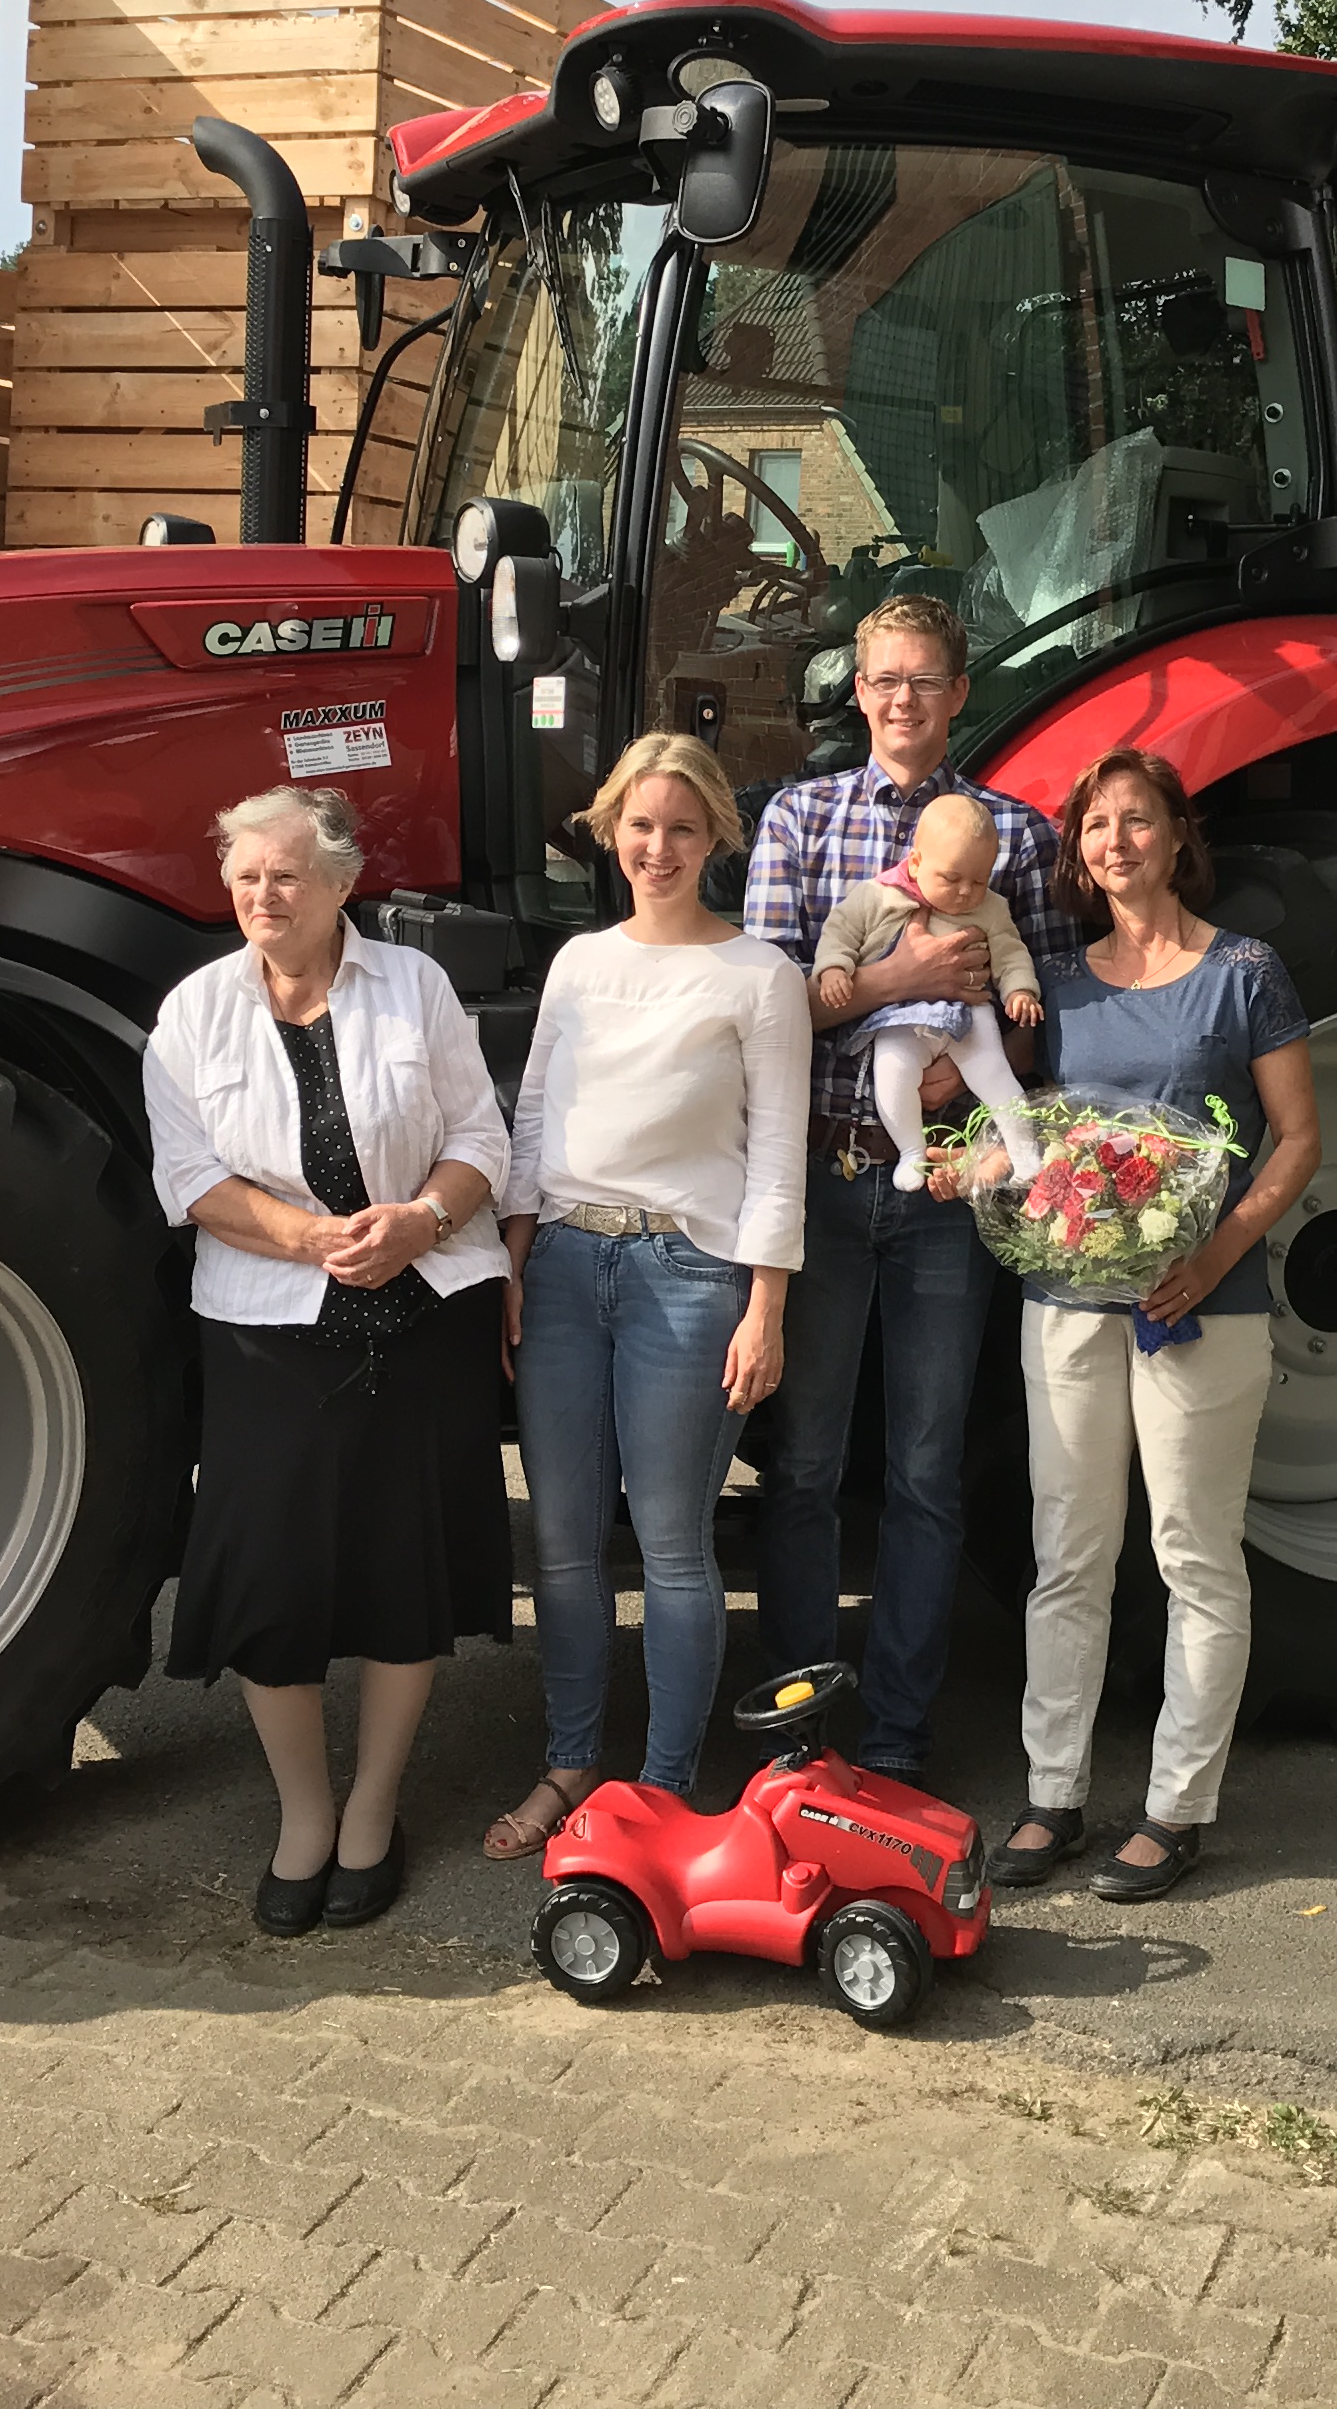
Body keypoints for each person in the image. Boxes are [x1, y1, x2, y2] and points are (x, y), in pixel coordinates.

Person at [142, 785, 513, 1937]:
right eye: (245, 874)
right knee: (270, 1581)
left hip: (424, 1307)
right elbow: (188, 1177)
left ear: (343, 884)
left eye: (287, 874)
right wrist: (305, 1237)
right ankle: (304, 1813)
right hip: (266, 1321)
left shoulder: (417, 988)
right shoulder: (194, 1011)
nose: (263, 894)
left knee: (407, 1570)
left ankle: (375, 1807)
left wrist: (422, 1224)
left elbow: (482, 1137)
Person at [739, 593, 1063, 1779]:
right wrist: (899, 979)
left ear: (959, 694)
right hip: (827, 1179)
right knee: (806, 1465)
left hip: (946, 1199)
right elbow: (772, 1009)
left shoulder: (1016, 837)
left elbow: (1043, 1026)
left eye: (926, 680)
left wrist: (972, 1061)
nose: (904, 700)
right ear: (859, 691)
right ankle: (794, 1731)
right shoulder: (802, 819)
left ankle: (897, 1738)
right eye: (885, 679)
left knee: (928, 1471)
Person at [989, 745, 1319, 1903]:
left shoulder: (1244, 973)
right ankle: (1053, 1795)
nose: (1116, 843)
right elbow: (1026, 1129)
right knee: (1068, 1556)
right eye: (1095, 828)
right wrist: (972, 1163)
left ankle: (1178, 1808)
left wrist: (1215, 1252)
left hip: (1204, 1310)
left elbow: (1298, 1139)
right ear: (1077, 853)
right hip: (1071, 1309)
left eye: (1136, 821)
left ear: (1179, 836)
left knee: (1192, 1555)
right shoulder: (1059, 985)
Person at [488, 733, 813, 1856]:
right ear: (610, 831)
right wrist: (516, 1263)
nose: (659, 847)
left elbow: (777, 1152)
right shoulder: (579, 965)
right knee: (566, 1545)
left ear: (715, 834)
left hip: (690, 1277)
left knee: (674, 1545)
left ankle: (665, 1792)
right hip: (570, 1264)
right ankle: (572, 1766)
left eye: (682, 827)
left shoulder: (761, 977)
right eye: (641, 825)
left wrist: (765, 1304)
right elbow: (532, 1120)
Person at [811, 791, 1045, 1189]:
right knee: (891, 1074)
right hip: (901, 1018)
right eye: (951, 878)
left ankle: (1026, 1154)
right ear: (916, 862)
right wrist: (833, 968)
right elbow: (840, 932)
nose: (965, 892)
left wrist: (1019, 990)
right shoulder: (877, 895)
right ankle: (912, 1152)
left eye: (979, 880)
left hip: (970, 1014)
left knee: (995, 1076)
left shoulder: (990, 908)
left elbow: (1010, 951)